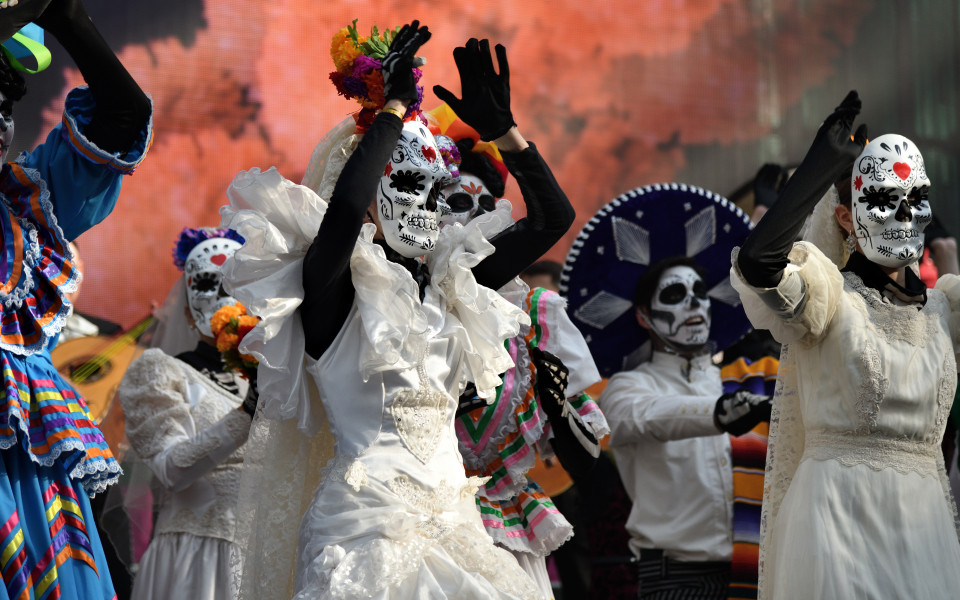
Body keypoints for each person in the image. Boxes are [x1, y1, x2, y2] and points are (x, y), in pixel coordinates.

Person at [221, 23, 574, 599]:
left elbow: (552, 219)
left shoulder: (452, 289)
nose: (426, 205)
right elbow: (345, 212)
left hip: (458, 529)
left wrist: (504, 133)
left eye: (437, 192)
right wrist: (392, 110)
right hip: (363, 534)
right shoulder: (331, 291)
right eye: (408, 183)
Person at [732, 90, 960, 598]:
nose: (903, 216)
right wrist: (819, 168)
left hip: (925, 529)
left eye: (915, 199)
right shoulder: (829, 300)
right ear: (844, 219)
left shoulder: (947, 310)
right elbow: (757, 264)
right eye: (883, 201)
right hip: (837, 521)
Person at [0, 1, 151, 598]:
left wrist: (62, 13)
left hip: (32, 485)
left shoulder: (27, 207)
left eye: (4, 108)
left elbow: (123, 114)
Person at [561, 184, 770, 599]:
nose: (694, 304)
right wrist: (720, 413)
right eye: (675, 295)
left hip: (757, 572)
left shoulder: (743, 378)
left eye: (700, 294)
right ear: (644, 316)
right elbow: (647, 417)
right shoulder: (627, 388)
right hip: (675, 578)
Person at [428, 119, 609, 598]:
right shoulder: (396, 302)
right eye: (460, 202)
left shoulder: (536, 315)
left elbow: (586, 460)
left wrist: (557, 406)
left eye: (489, 207)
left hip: (505, 531)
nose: (477, 217)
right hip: (419, 521)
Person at [118, 227, 255, 600]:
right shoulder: (161, 372)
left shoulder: (270, 378)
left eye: (234, 284)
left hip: (261, 557)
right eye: (209, 285)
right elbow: (171, 468)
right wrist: (246, 414)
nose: (223, 298)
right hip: (196, 561)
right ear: (186, 312)